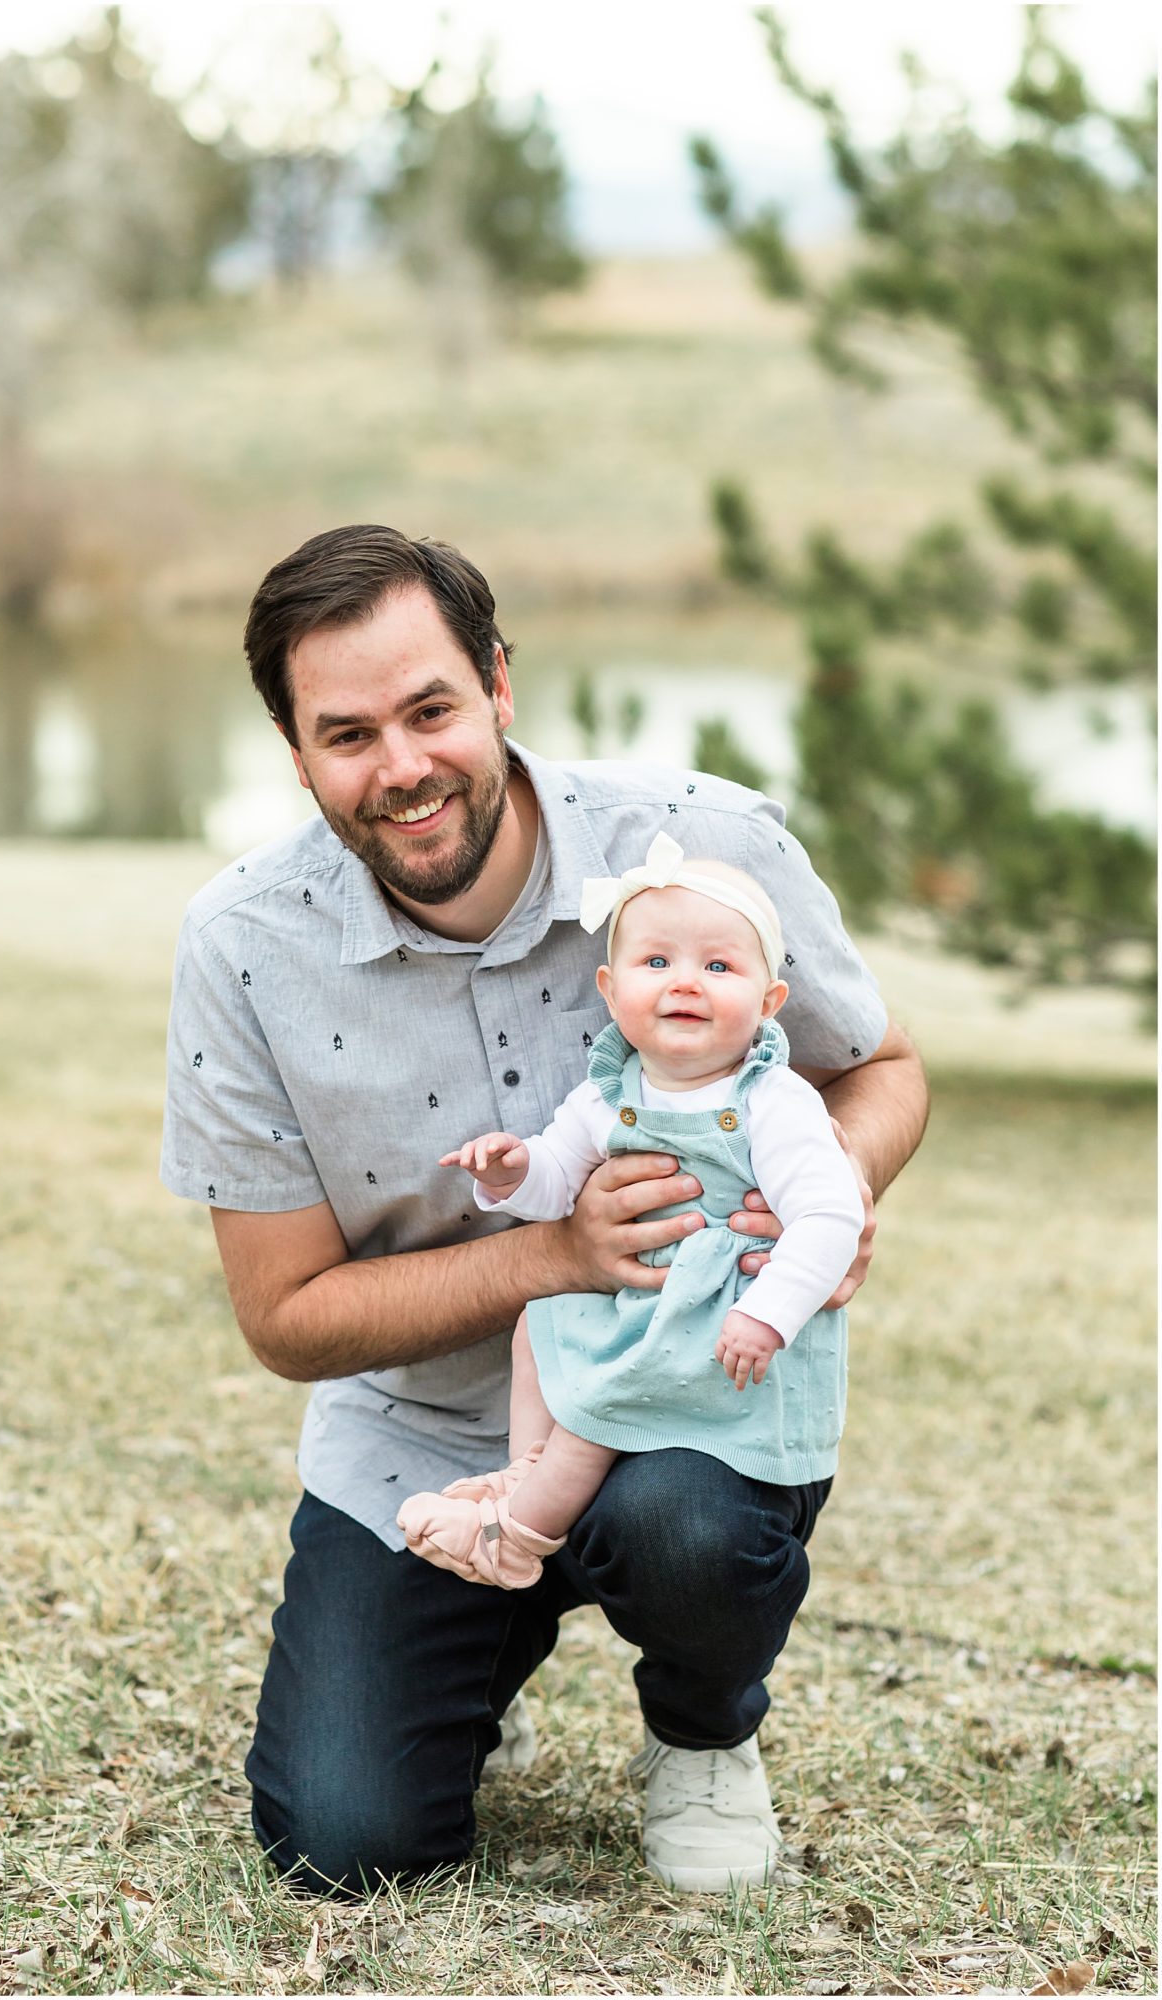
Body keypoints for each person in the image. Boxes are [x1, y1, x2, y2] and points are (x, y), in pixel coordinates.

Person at [160, 523, 929, 1896]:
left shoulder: (703, 842)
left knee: (686, 1532)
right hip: (419, 1441)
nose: (400, 767)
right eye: (345, 735)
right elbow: (283, 1316)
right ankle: (469, 1649)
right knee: (347, 1845)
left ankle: (700, 1731)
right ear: (294, 755)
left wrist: (841, 1184)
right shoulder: (242, 950)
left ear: (498, 686)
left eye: (430, 710)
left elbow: (875, 1067)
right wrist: (549, 1253)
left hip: (685, 1400)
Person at [396, 836, 864, 1589]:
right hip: (639, 1308)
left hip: (721, 1324)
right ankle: (525, 1472)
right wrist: (513, 1170)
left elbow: (829, 1216)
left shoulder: (771, 1101)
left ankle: (515, 1537)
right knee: (537, 1323)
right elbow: (556, 1184)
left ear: (768, 1000)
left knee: (600, 1406)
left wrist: (768, 1312)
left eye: (718, 966)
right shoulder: (608, 1094)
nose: (686, 982)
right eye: (657, 963)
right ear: (612, 992)